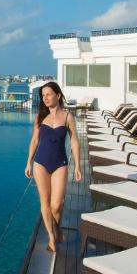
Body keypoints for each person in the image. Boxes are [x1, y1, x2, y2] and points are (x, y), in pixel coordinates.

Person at [25, 81, 82, 253]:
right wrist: (28, 161)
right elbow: (35, 140)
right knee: (45, 203)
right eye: (43, 95)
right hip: (40, 164)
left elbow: (74, 140)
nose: (45, 98)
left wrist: (78, 165)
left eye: (48, 94)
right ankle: (51, 237)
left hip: (60, 164)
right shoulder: (40, 117)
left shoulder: (67, 117)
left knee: (56, 204)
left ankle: (57, 229)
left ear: (58, 95)